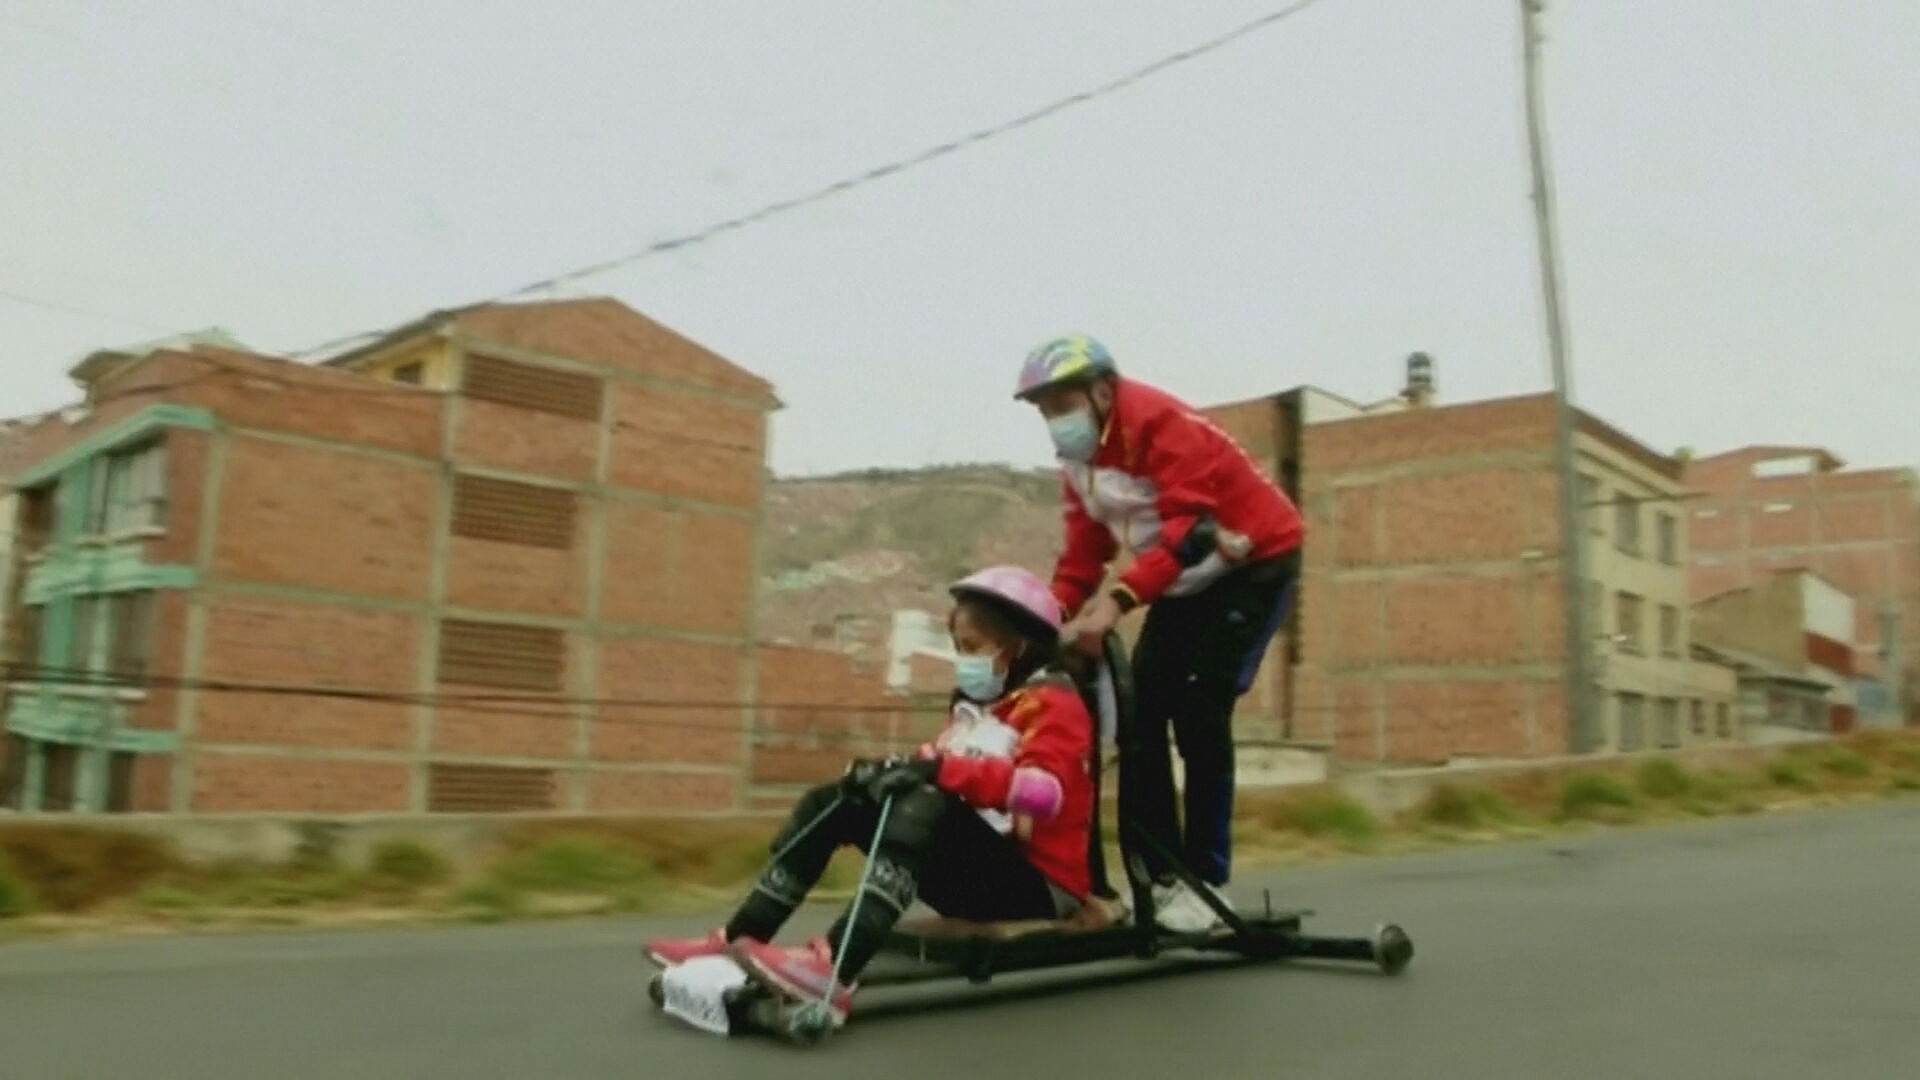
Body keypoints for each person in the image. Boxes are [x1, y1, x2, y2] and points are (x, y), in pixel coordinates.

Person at [645, 566, 1095, 1025]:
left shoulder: (1056, 706)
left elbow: (1044, 794)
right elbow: (941, 766)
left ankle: (836, 966)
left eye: (973, 647)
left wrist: (937, 769)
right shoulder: (975, 709)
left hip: (1037, 887)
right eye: (959, 647)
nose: (963, 660)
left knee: (924, 805)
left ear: (1018, 647)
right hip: (981, 870)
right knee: (836, 799)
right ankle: (739, 936)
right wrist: (886, 773)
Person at [1014, 334, 1303, 932]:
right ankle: (1160, 878)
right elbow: (1083, 555)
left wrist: (1116, 603)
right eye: (1044, 411)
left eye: (1062, 404)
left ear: (1102, 391)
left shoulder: (1163, 425)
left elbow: (1188, 534)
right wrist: (1040, 619)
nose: (1054, 420)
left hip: (1253, 564)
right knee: (1139, 714)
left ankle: (1206, 881)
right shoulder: (1079, 465)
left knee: (1199, 711)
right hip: (1184, 580)